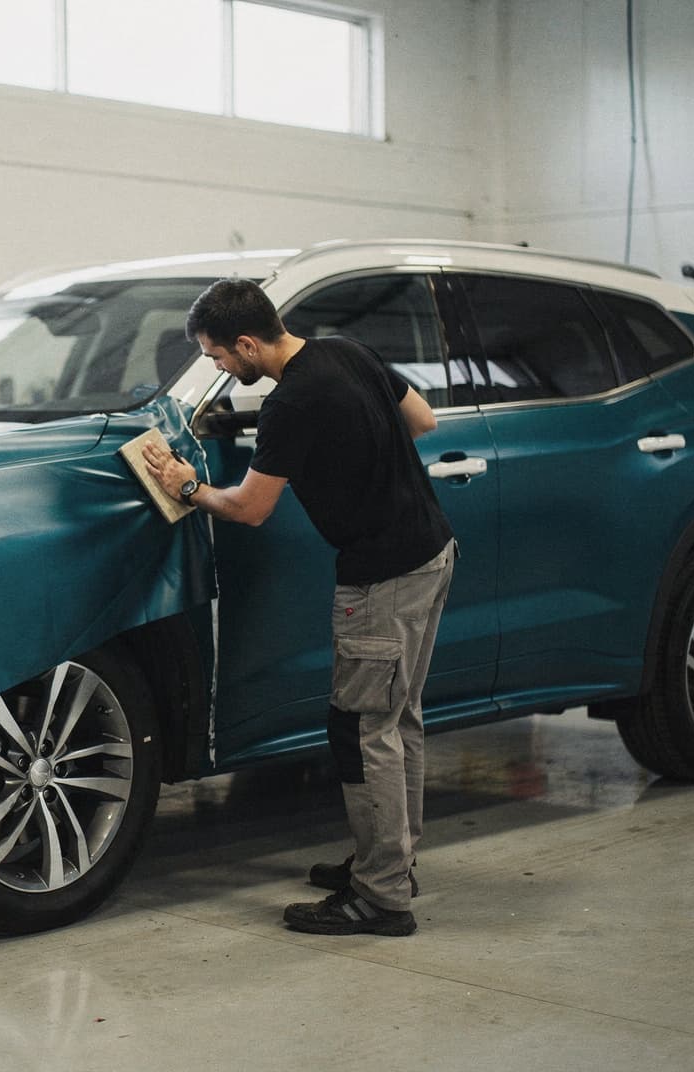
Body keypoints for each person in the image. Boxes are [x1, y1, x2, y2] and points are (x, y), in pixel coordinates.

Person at [143, 278, 455, 938]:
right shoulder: (348, 350)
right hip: (431, 550)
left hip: (383, 576)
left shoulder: (291, 405)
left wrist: (186, 484)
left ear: (247, 343)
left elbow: (250, 510)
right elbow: (422, 419)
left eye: (219, 357)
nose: (221, 369)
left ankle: (381, 897)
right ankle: (391, 862)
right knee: (399, 721)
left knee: (364, 729)